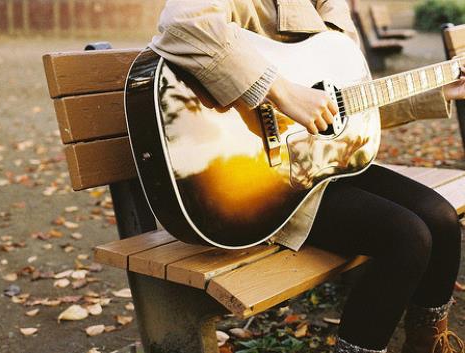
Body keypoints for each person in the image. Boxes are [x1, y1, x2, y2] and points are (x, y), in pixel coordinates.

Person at [148, 1, 465, 352]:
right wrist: (283, 92)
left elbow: (344, 104)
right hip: (263, 183)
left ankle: (428, 344)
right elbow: (181, 22)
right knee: (407, 237)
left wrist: (437, 91)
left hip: (324, 161)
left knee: (442, 219)